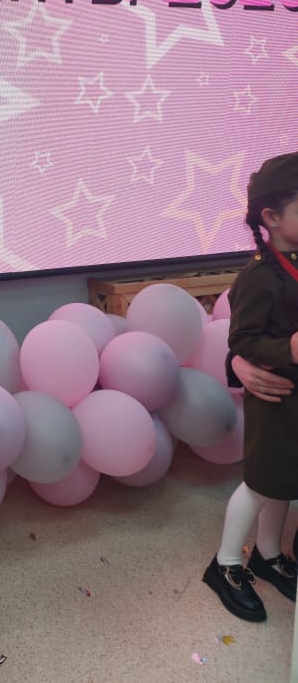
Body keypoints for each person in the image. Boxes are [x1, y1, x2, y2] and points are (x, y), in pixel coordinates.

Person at [202, 152, 298, 622]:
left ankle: (269, 553)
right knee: (260, 484)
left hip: (294, 395)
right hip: (274, 397)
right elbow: (242, 340)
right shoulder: (260, 277)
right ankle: (225, 565)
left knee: (285, 480)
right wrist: (289, 350)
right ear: (272, 218)